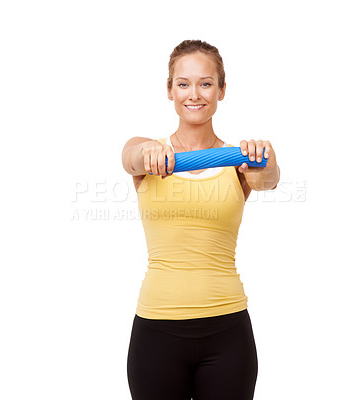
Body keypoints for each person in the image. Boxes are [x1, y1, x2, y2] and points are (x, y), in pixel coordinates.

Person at [122, 39, 280, 400]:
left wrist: (265, 161)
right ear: (169, 90)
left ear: (221, 90)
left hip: (227, 333)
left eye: (206, 83)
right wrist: (147, 152)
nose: (194, 94)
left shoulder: (239, 160)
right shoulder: (146, 149)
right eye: (183, 83)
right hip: (156, 331)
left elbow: (266, 179)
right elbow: (129, 157)